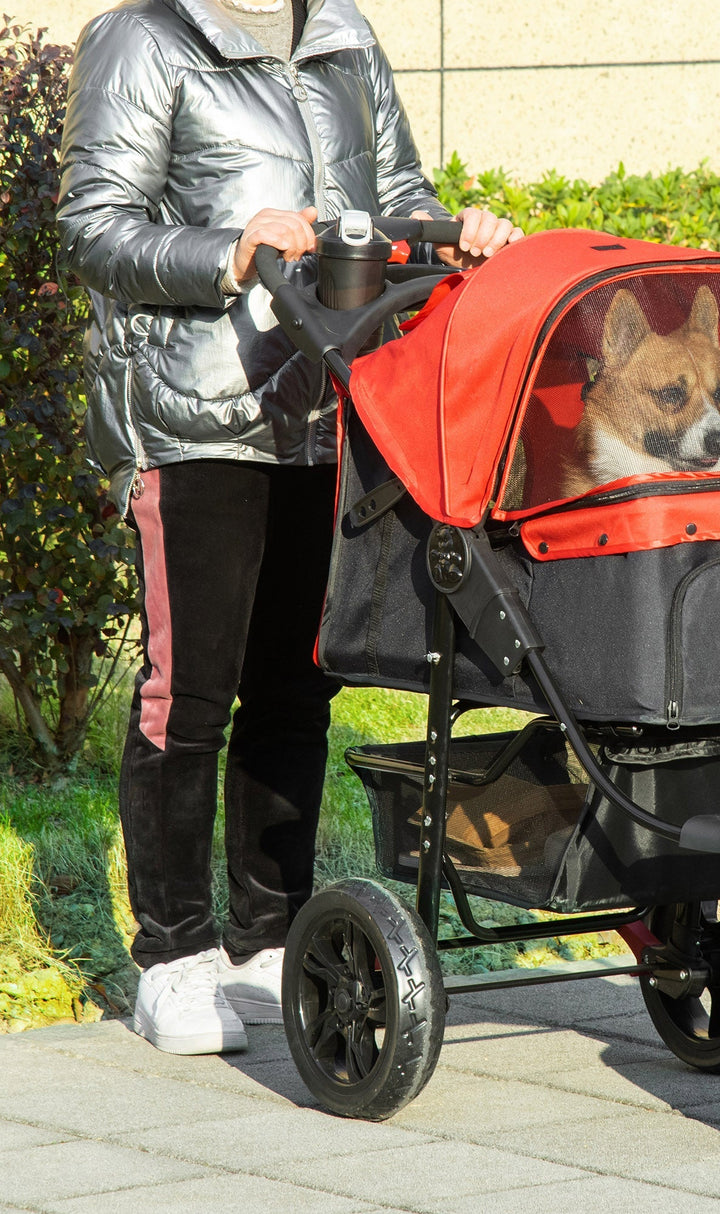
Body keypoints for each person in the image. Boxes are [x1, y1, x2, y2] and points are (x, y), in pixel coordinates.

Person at [56, 0, 522, 1055]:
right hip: (197, 417)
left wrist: (462, 232)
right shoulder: (147, 36)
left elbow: (397, 197)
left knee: (297, 684)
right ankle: (171, 957)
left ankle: (265, 935)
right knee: (191, 695)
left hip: (331, 407)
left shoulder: (343, 32)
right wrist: (231, 251)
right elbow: (96, 226)